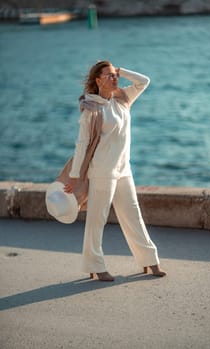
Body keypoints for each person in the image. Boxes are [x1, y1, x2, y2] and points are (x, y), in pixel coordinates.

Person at [64, 60, 166, 281]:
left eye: (115, 74)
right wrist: (74, 177)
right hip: (102, 172)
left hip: (123, 170)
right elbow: (81, 144)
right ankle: (94, 265)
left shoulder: (123, 99)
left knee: (133, 216)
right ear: (98, 80)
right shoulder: (91, 108)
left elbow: (144, 81)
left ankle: (149, 260)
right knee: (96, 220)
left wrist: (121, 71)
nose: (114, 78)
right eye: (109, 75)